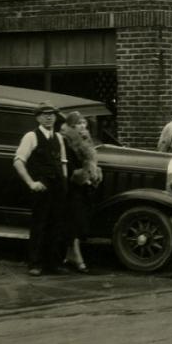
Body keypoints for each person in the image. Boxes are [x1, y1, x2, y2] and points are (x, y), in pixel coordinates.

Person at [13, 102, 69, 276]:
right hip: (41, 188)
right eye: (44, 114)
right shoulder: (31, 136)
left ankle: (53, 264)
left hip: (58, 187)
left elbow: (63, 162)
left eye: (51, 114)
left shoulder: (59, 137)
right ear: (37, 117)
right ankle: (35, 264)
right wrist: (31, 183)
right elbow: (18, 161)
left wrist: (64, 181)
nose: (49, 117)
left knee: (56, 225)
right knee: (40, 225)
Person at [60, 110, 102, 273]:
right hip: (71, 186)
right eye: (78, 123)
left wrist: (94, 173)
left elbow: (90, 160)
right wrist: (85, 176)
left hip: (82, 186)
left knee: (80, 220)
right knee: (75, 221)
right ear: (71, 126)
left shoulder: (85, 139)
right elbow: (69, 166)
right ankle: (77, 257)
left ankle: (70, 255)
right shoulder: (66, 140)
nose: (83, 126)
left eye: (84, 123)